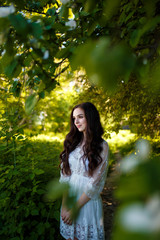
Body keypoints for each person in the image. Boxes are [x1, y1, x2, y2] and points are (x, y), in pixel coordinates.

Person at [59, 102, 109, 240]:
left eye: (80, 117)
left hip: (86, 203)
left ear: (90, 118)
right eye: (74, 118)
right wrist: (64, 206)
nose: (76, 121)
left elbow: (94, 184)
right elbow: (65, 176)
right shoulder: (72, 142)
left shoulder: (102, 146)